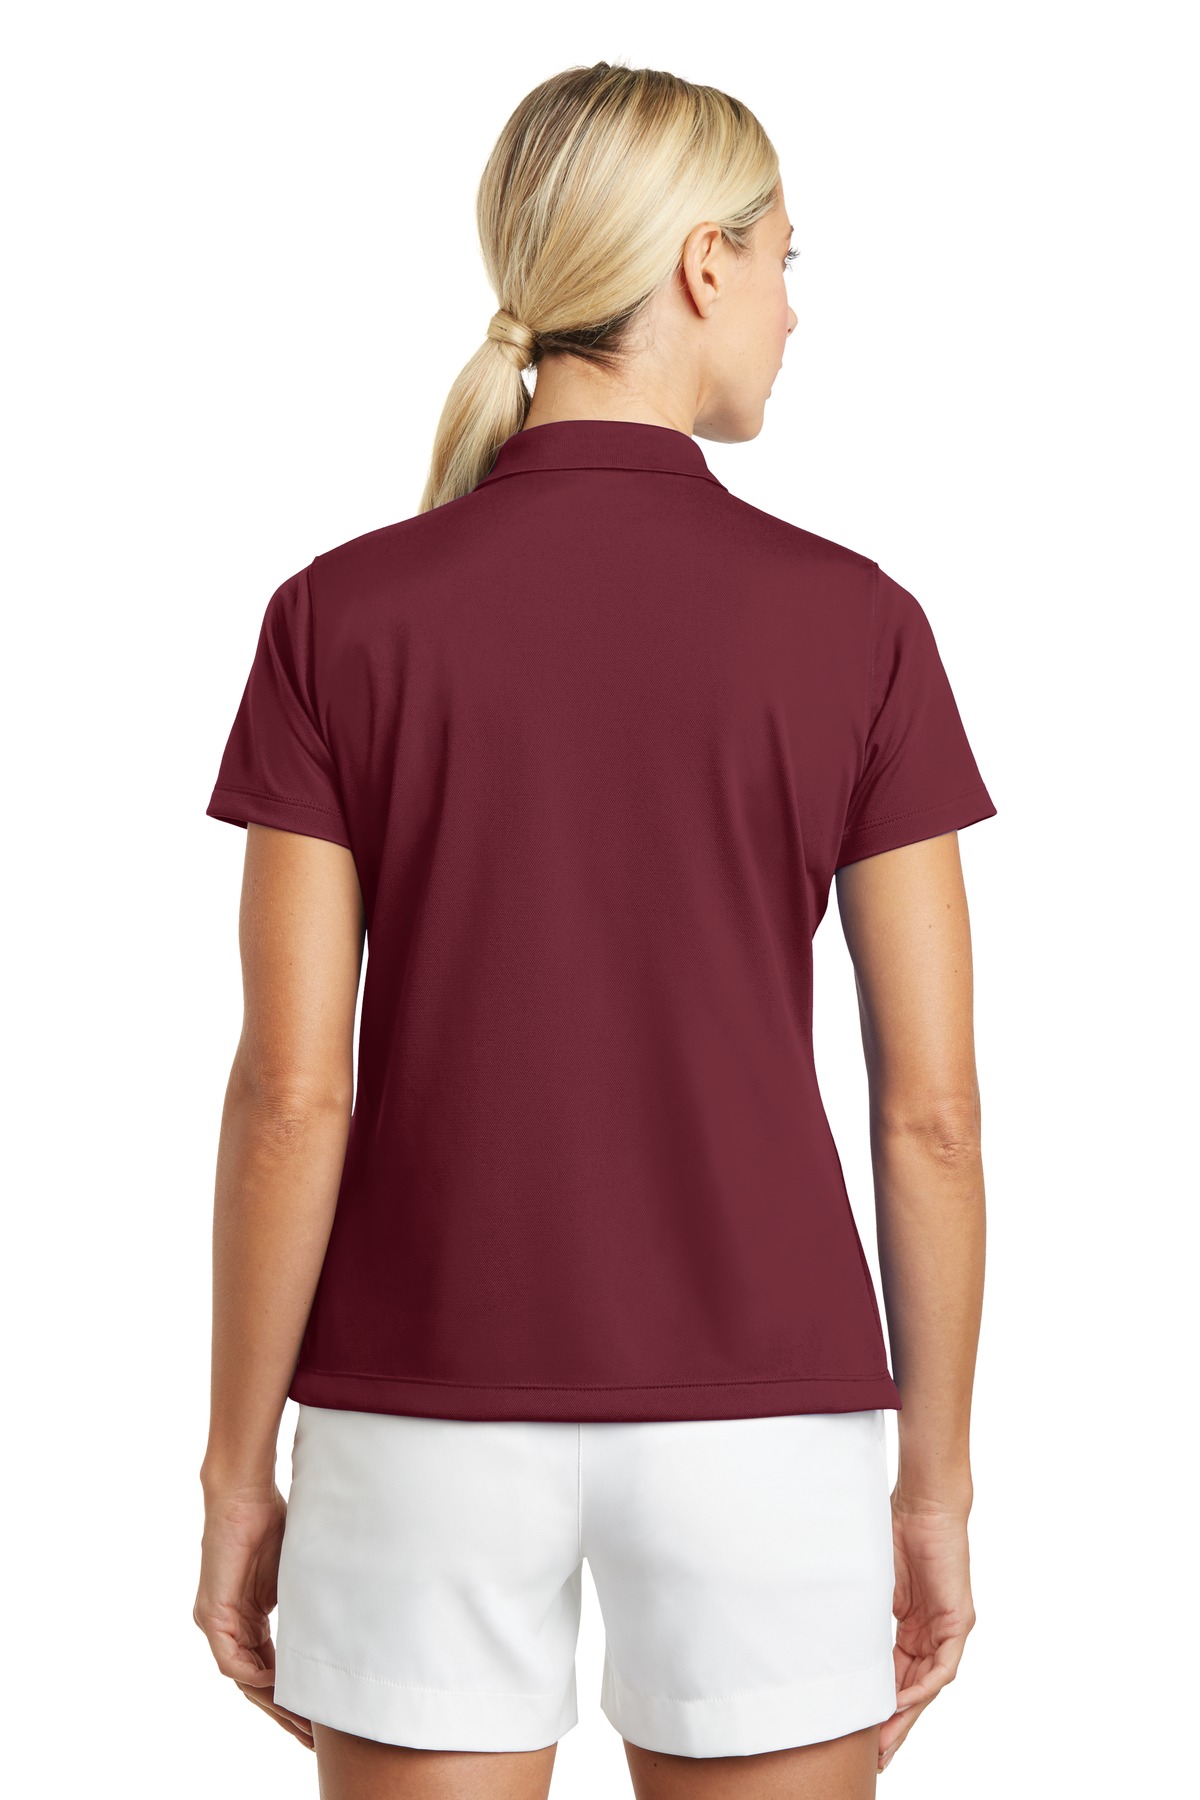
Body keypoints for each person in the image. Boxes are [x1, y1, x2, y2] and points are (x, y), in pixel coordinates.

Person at [193, 59, 995, 1800]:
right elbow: (931, 1115)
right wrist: (933, 1485)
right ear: (705, 264)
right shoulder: (858, 626)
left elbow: (290, 1097)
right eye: (784, 258)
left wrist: (237, 1469)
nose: (794, 309)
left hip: (421, 1407)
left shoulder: (337, 619)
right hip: (762, 1417)